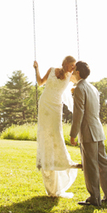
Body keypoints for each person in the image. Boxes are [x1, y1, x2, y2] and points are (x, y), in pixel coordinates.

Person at [70, 61, 107, 207]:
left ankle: (94, 198)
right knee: (103, 164)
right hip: (98, 130)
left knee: (90, 166)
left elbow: (79, 113)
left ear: (78, 72)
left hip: (88, 132)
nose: (71, 73)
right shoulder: (93, 88)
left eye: (73, 71)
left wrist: (73, 134)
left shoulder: (79, 88)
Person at [33, 56, 82, 198]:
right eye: (72, 65)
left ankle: (65, 161)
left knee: (56, 132)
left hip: (56, 106)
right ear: (65, 63)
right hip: (45, 104)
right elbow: (40, 82)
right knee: (45, 132)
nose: (73, 68)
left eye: (75, 66)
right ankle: (47, 161)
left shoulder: (71, 76)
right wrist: (37, 69)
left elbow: (81, 79)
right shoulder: (52, 70)